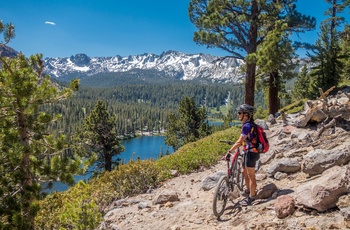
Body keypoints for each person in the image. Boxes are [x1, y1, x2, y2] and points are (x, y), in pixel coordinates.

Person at [225, 104, 260, 206]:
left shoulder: (247, 126)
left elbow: (240, 142)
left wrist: (229, 151)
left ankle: (252, 197)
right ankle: (248, 190)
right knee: (244, 172)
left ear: (246, 115)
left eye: (239, 113)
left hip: (251, 153)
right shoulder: (248, 124)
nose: (238, 115)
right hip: (248, 152)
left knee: (251, 176)